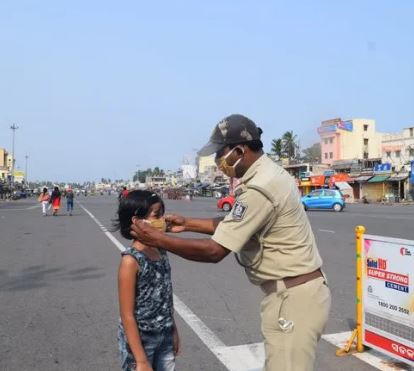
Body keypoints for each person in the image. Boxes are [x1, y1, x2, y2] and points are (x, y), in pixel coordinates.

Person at [131, 114, 331, 371]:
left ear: (240, 150)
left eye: (219, 154)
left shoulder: (260, 188)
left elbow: (215, 251)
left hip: (292, 298)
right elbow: (236, 223)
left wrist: (158, 238)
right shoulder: (267, 175)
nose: (217, 162)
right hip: (295, 293)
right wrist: (188, 224)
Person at [114, 190, 180, 371]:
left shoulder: (160, 249)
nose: (162, 220)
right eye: (156, 215)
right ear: (137, 221)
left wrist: (173, 329)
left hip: (164, 335)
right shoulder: (130, 261)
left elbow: (166, 295)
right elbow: (127, 315)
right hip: (141, 341)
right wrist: (141, 360)